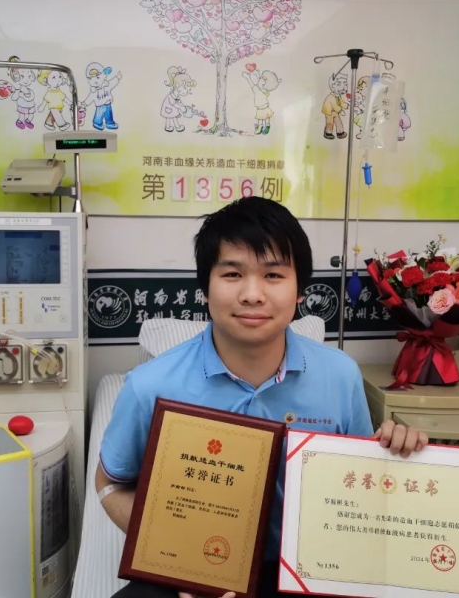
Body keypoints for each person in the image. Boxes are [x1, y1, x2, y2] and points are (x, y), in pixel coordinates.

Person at [96, 197, 428, 598]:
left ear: (299, 289)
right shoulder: (150, 385)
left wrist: (398, 454)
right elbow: (110, 483)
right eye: (232, 273)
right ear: (205, 288)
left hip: (311, 573)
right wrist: (178, 560)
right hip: (197, 573)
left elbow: (357, 486)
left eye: (273, 275)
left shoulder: (339, 375)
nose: (252, 294)